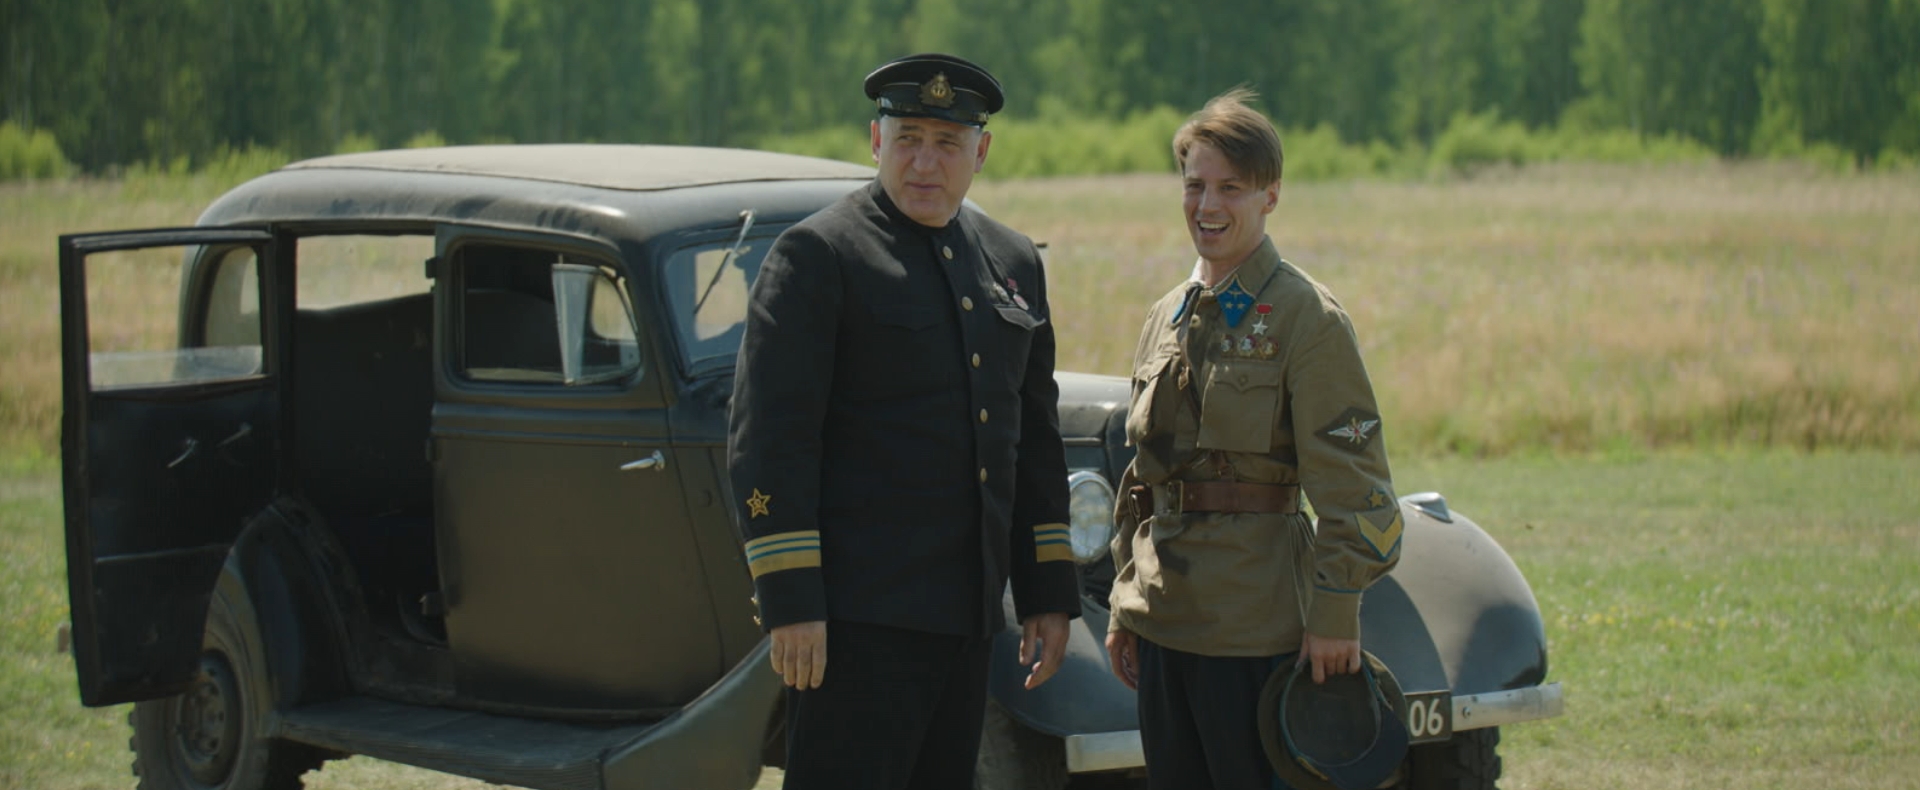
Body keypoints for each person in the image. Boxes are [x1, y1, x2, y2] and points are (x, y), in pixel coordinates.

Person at [727, 53, 1082, 790]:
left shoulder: (1012, 261)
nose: (925, 162)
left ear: (981, 152)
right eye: (908, 138)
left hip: (968, 619)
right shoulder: (819, 256)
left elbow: (1033, 439)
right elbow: (770, 441)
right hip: (855, 624)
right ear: (874, 140)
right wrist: (792, 601)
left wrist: (1047, 591)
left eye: (947, 143)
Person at [1103, 87, 1404, 790]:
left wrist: (1335, 615)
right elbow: (1142, 481)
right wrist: (1125, 602)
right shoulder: (1166, 315)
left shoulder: (1306, 318)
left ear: (1270, 195)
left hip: (1254, 632)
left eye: (1230, 188)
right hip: (1163, 622)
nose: (1207, 205)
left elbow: (1357, 489)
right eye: (1195, 185)